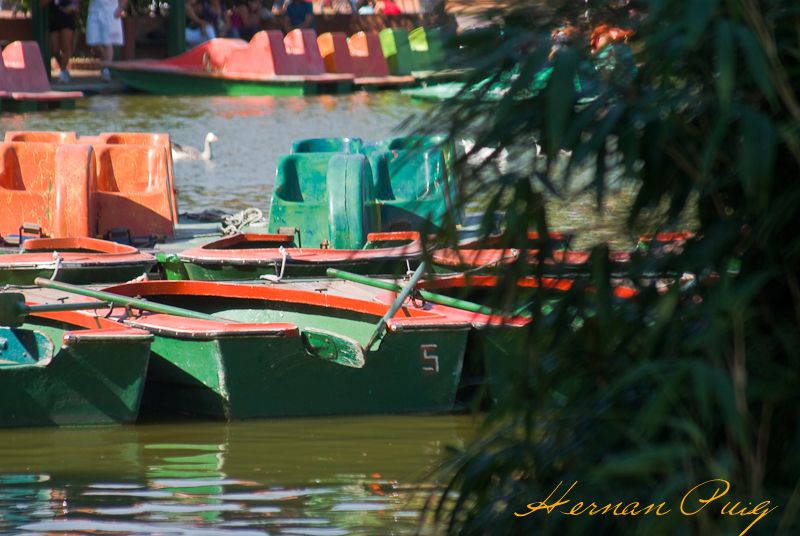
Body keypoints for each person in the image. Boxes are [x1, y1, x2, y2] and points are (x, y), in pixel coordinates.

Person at [85, 0, 126, 81]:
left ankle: (106, 70)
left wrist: (120, 8)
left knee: (107, 42)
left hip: (110, 11)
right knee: (93, 43)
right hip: (94, 10)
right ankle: (106, 64)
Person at [43, 0, 78, 83]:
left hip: (67, 19)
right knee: (55, 50)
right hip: (54, 18)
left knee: (66, 47)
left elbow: (77, 6)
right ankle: (64, 69)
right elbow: (42, 4)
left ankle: (62, 72)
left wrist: (72, 8)